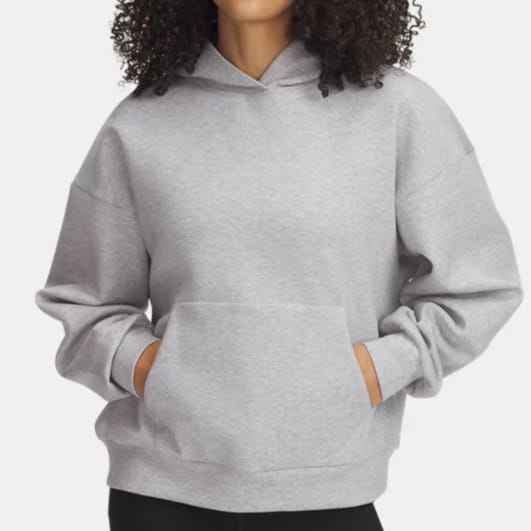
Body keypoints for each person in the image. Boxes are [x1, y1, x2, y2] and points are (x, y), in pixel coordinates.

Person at [35, 1, 523, 529]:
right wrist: (158, 372)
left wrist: (368, 373)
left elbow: (478, 288)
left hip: (330, 492)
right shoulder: (139, 125)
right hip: (158, 493)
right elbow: (85, 303)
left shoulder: (399, 110)